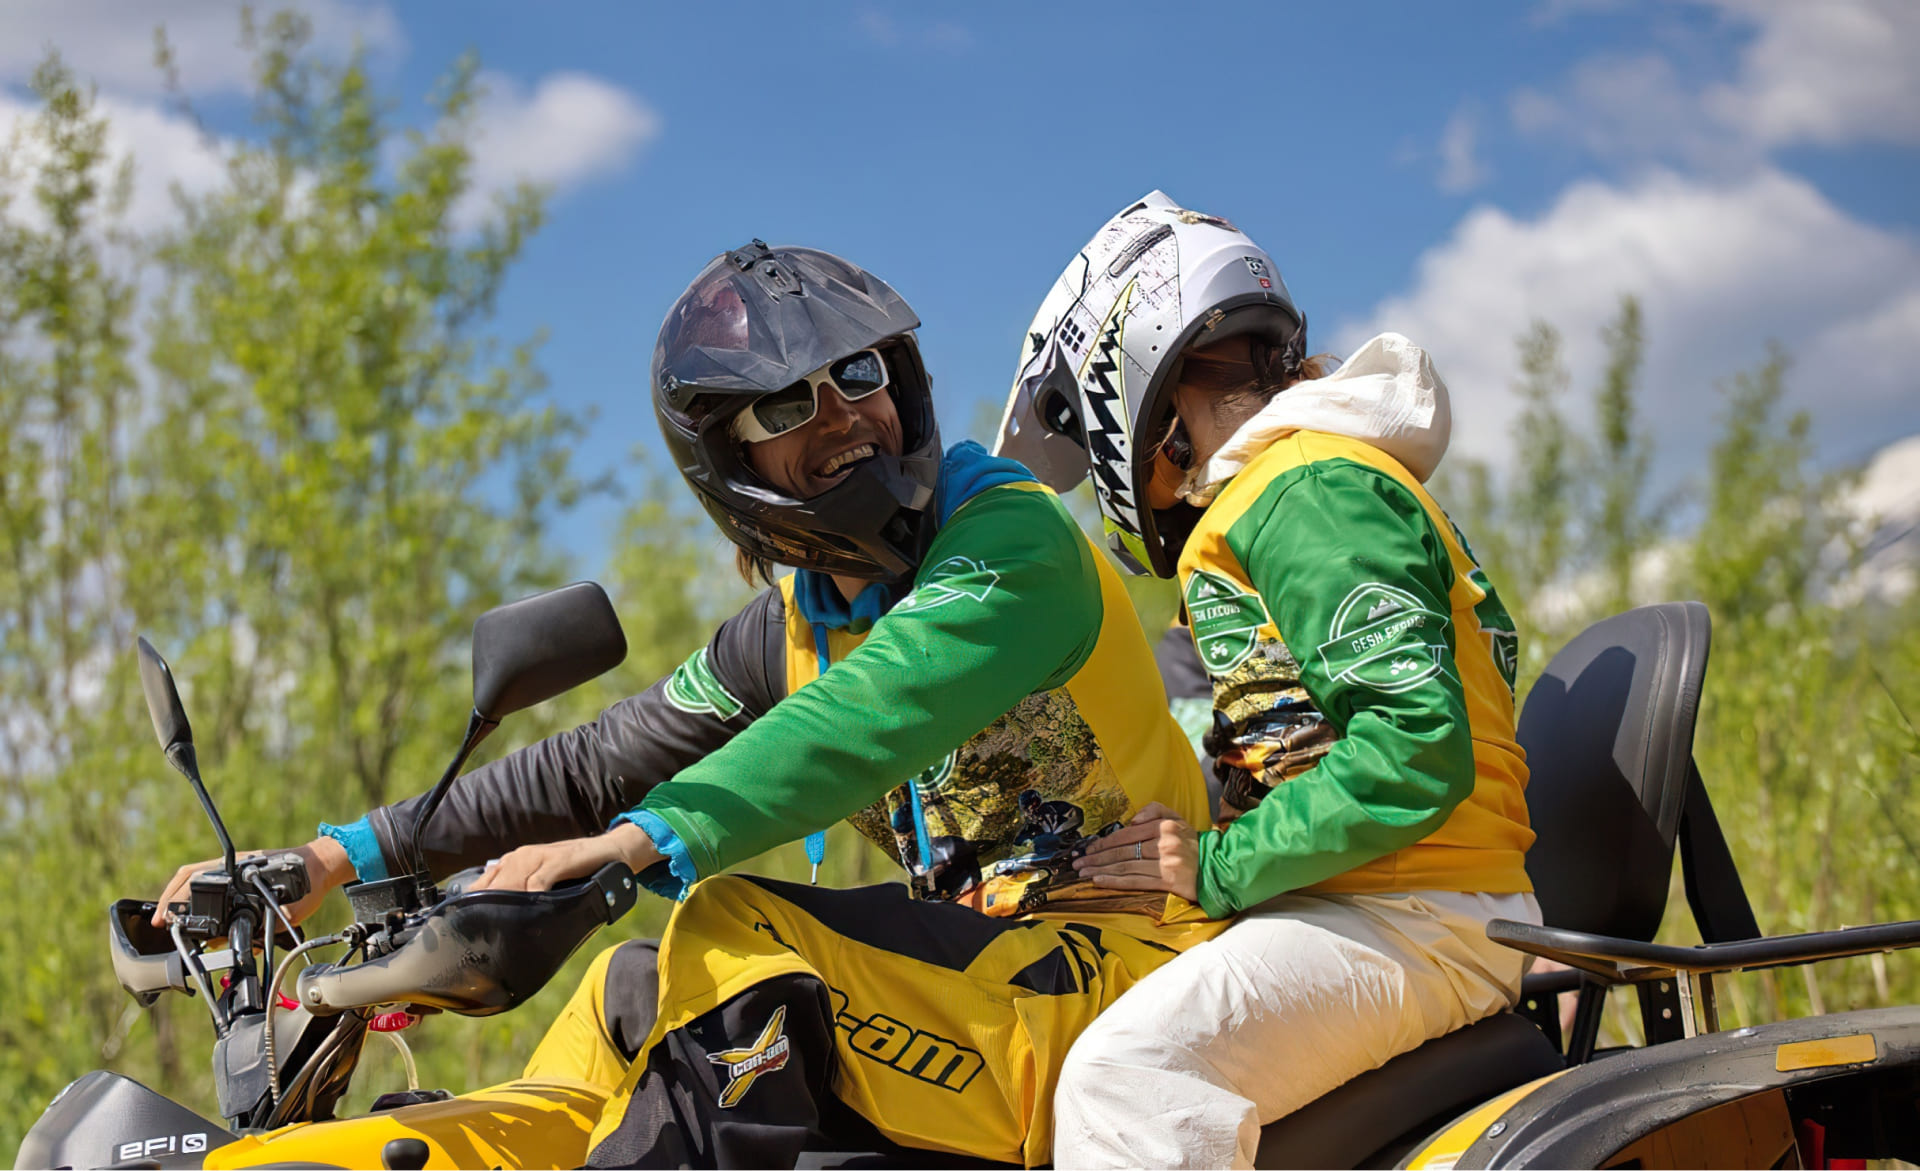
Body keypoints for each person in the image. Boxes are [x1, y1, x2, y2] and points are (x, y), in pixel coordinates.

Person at [158, 240, 1221, 1168]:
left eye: (857, 373)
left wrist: (635, 843)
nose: (842, 414)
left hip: (1127, 986)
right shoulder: (791, 629)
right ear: (728, 455)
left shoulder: (1010, 543)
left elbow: (869, 712)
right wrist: (335, 857)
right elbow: (594, 764)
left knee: (735, 930)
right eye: (786, 404)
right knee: (623, 994)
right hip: (970, 1006)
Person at [996, 192, 1539, 1169]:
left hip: (1418, 907)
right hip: (1384, 897)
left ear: (1134, 380)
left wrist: (1216, 866)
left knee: (1127, 1077)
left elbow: (1412, 752)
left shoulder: (1308, 490)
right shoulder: (1289, 488)